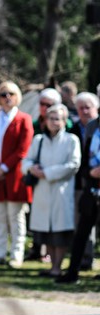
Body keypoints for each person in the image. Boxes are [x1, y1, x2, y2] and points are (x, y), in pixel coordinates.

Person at [23, 104, 81, 277]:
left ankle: (58, 265)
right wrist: (32, 169)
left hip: (61, 191)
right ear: (45, 121)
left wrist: (47, 173)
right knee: (46, 232)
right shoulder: (39, 140)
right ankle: (52, 267)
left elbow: (73, 165)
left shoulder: (71, 140)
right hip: (42, 192)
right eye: (51, 118)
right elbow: (25, 161)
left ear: (64, 121)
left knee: (59, 231)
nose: (54, 122)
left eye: (58, 119)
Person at [0, 81, 34, 269]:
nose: (7, 98)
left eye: (10, 94)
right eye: (3, 94)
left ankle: (17, 254)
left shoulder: (24, 119)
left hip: (14, 175)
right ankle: (0, 253)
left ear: (17, 96)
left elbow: (23, 149)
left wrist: (4, 167)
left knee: (16, 217)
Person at [57, 93, 100, 284]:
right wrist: (90, 173)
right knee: (82, 231)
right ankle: (72, 271)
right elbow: (83, 157)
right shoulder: (92, 127)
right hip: (91, 187)